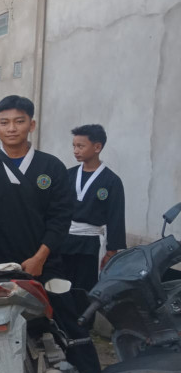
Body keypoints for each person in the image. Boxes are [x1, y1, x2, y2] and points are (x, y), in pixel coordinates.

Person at [0, 95, 102, 373]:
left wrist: (40, 256)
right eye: (5, 122)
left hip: (43, 264)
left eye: (19, 121)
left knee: (70, 320)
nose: (12, 128)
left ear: (32, 125)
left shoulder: (51, 168)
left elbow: (60, 218)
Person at [61, 124, 126, 292]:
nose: (75, 151)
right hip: (65, 241)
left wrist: (112, 251)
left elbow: (116, 217)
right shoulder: (68, 175)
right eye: (74, 146)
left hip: (91, 244)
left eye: (80, 146)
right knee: (62, 286)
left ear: (97, 147)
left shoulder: (111, 181)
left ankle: (84, 310)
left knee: (85, 287)